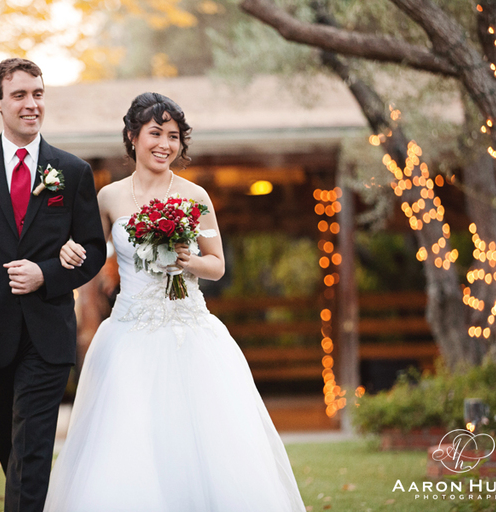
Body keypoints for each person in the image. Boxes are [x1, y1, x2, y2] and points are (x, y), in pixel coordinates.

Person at [43, 92, 306, 511]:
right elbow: (91, 256)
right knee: (130, 438)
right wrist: (67, 252)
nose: (165, 144)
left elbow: (217, 265)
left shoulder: (195, 196)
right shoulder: (109, 198)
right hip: (130, 335)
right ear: (132, 137)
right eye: (155, 133)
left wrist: (190, 260)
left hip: (192, 333)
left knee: (205, 437)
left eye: (174, 135)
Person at [0, 58, 106, 511]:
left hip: (48, 334)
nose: (32, 104)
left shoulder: (73, 171)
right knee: (5, 438)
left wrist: (46, 273)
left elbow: (93, 250)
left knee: (30, 445)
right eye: (20, 95)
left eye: (38, 94)